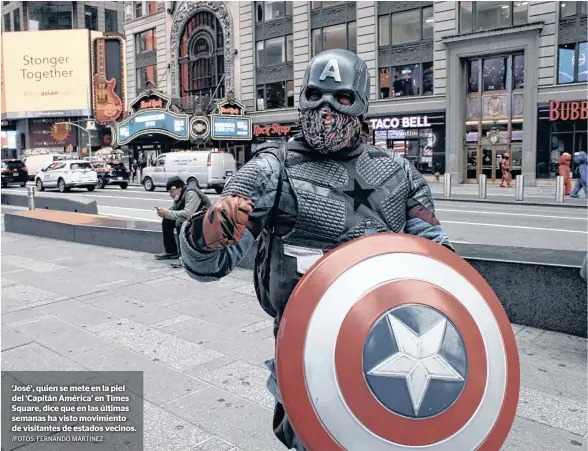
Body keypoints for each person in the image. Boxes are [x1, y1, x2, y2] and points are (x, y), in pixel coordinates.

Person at [179, 49, 453, 450]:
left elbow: (439, 265)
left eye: (341, 98)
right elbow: (211, 264)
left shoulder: (400, 173)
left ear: (360, 104)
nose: (326, 109)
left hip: (390, 337)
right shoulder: (270, 169)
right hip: (307, 347)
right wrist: (203, 236)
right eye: (315, 95)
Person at [155, 176, 210, 268]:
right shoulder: (179, 195)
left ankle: (185, 257)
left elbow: (188, 213)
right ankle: (171, 251)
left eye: (171, 192)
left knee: (180, 222)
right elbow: (173, 210)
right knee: (167, 220)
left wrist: (168, 213)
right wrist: (164, 213)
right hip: (193, 218)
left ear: (177, 188)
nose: (170, 195)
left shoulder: (191, 193)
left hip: (204, 220)